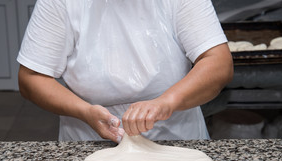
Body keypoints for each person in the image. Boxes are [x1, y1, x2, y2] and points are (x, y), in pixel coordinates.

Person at [17, 0, 233, 143]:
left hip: (176, 141)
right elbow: (31, 78)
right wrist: (85, 112)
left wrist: (167, 102)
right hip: (89, 144)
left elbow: (219, 63)